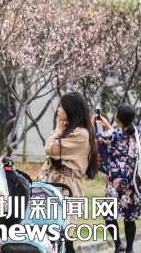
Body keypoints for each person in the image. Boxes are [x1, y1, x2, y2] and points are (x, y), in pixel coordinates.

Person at [38, 92, 99, 253]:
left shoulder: (80, 134)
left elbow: (50, 148)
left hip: (67, 186)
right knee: (52, 235)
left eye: (61, 106)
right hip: (55, 183)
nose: (58, 109)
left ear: (70, 109)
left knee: (64, 235)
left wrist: (58, 129)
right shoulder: (70, 130)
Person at [95, 103, 141, 253]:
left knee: (108, 216)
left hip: (114, 183)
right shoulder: (138, 134)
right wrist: (109, 126)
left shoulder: (112, 135)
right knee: (129, 218)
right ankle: (129, 249)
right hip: (132, 183)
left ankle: (118, 245)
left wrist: (96, 123)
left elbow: (98, 138)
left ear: (118, 118)